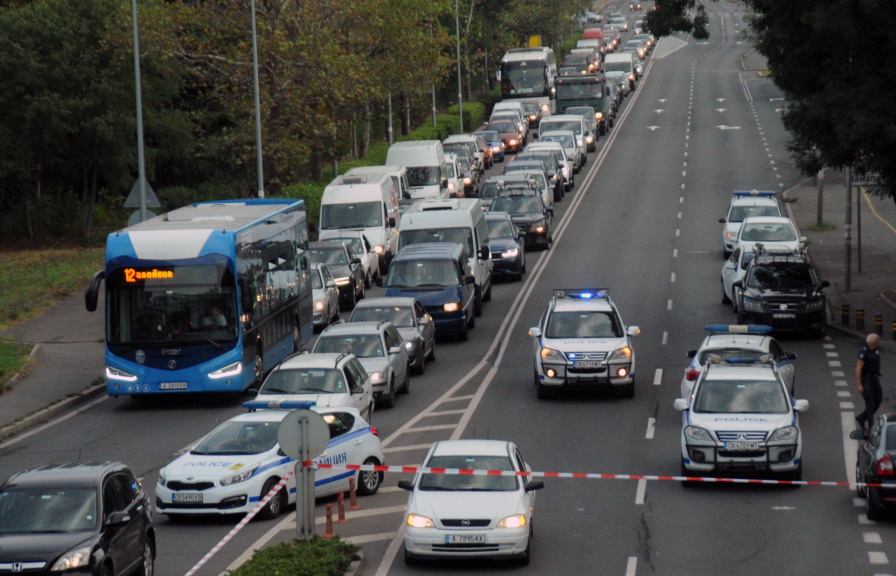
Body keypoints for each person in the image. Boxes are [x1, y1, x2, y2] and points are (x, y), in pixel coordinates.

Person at [855, 333, 882, 434]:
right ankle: (871, 428)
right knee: (870, 404)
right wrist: (859, 384)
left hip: (875, 379)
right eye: (878, 341)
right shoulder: (864, 352)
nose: (879, 342)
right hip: (866, 380)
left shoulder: (875, 350)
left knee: (878, 400)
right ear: (874, 343)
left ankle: (861, 418)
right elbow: (858, 368)